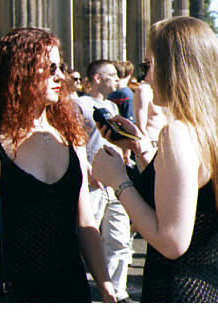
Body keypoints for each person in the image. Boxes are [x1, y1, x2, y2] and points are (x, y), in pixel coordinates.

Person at [92, 16, 218, 302]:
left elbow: (171, 242)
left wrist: (118, 180)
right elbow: (186, 192)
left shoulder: (179, 133)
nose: (143, 78)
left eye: (148, 65)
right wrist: (140, 147)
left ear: (173, 67)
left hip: (180, 289)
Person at [0, 28, 116, 302]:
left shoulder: (71, 136)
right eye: (49, 67)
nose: (60, 76)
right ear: (20, 72)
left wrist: (105, 285)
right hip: (14, 292)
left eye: (60, 67)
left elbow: (85, 221)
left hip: (72, 290)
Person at [76, 59, 133, 302]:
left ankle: (117, 292)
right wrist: (86, 168)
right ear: (96, 78)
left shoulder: (111, 105)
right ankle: (82, 285)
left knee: (119, 237)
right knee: (88, 234)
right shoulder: (79, 104)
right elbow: (73, 139)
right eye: (110, 75)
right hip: (92, 181)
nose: (116, 79)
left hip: (115, 179)